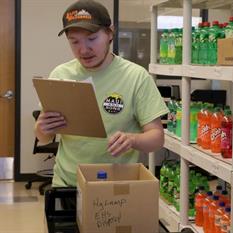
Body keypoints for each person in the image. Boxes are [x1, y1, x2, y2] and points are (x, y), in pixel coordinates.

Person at [34, 0, 169, 187]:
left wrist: (132, 139)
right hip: (67, 183)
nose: (83, 50)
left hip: (116, 185)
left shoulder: (136, 76)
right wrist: (42, 129)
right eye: (74, 42)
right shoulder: (60, 74)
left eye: (92, 39)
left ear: (110, 33)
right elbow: (44, 137)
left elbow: (157, 138)